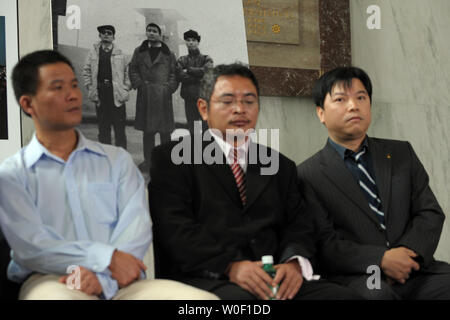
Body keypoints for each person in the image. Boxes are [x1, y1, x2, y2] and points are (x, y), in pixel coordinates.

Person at [0, 50, 218, 300]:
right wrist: (106, 259)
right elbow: (32, 247)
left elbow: (137, 227)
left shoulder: (116, 161)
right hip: (52, 279)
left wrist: (105, 276)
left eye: (74, 85)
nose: (72, 95)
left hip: (123, 280)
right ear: (28, 103)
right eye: (58, 88)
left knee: (203, 302)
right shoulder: (13, 175)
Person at [148, 63, 362, 300]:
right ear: (203, 108)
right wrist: (231, 266)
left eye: (249, 101)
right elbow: (175, 229)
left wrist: (293, 262)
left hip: (272, 278)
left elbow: (298, 225)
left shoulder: (280, 166)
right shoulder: (173, 159)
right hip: (206, 278)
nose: (240, 109)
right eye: (227, 101)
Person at [297, 66, 450, 299]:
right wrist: (381, 260)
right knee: (377, 294)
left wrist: (406, 256)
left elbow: (429, 212)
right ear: (321, 113)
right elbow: (325, 244)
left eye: (361, 97)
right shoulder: (308, 175)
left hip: (415, 267)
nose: (353, 106)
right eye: (340, 99)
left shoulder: (400, 153)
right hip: (358, 275)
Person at [129, 22, 179, 172]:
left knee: (165, 132)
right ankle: (148, 161)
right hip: (146, 95)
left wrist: (168, 88)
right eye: (149, 30)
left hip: (163, 96)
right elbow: (133, 68)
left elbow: (174, 73)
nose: (151, 33)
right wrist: (139, 85)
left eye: (154, 31)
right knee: (148, 131)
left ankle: (165, 162)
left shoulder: (168, 54)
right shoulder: (139, 51)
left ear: (160, 34)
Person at [82, 25, 130, 149]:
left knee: (119, 129)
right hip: (101, 93)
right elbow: (86, 70)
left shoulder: (120, 53)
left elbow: (127, 72)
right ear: (100, 36)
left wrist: (125, 88)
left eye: (109, 33)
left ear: (114, 37)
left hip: (116, 94)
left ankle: (121, 158)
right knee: (103, 128)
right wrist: (90, 86)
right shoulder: (93, 52)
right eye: (103, 33)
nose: (106, 35)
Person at [177, 29, 213, 136]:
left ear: (198, 42)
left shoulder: (206, 58)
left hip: (203, 98)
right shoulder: (182, 60)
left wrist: (188, 70)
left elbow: (207, 72)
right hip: (189, 98)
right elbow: (179, 75)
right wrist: (198, 77)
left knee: (206, 127)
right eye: (188, 40)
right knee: (193, 128)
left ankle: (207, 151)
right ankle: (196, 151)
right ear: (185, 42)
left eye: (193, 40)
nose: (191, 42)